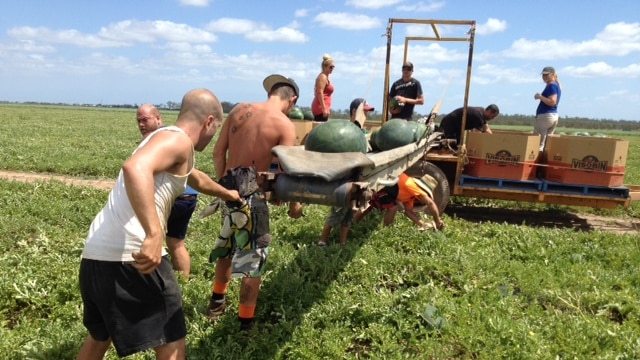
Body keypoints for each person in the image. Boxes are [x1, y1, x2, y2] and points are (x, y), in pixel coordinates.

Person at [77, 89, 241, 359]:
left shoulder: (161, 139)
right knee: (172, 341)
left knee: (99, 338)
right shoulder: (179, 142)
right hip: (133, 256)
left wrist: (227, 194)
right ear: (209, 121)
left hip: (96, 256)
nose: (213, 136)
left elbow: (194, 177)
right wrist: (154, 234)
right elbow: (135, 168)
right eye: (216, 128)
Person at [207, 74, 304, 331]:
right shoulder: (284, 125)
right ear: (291, 100)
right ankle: (245, 324)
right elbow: (285, 168)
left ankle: (216, 302)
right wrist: (294, 202)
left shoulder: (239, 110)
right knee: (252, 262)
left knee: (227, 247)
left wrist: (224, 187)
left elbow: (218, 152)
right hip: (253, 199)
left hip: (228, 191)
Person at [136, 104, 201, 280]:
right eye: (139, 121)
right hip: (189, 196)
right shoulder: (171, 137)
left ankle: (152, 283)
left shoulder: (160, 139)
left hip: (176, 198)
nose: (142, 125)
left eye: (146, 120)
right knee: (175, 242)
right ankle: (183, 283)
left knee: (148, 238)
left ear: (159, 119)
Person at [316, 98, 376, 247]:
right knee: (336, 212)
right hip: (343, 180)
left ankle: (342, 243)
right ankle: (322, 241)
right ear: (355, 112)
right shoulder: (346, 132)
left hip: (356, 178)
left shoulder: (361, 132)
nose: (366, 116)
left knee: (350, 214)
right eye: (364, 112)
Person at [355, 173, 444, 231]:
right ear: (423, 190)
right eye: (426, 194)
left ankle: (354, 225)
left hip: (388, 193)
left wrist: (423, 224)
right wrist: (437, 220)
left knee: (367, 207)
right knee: (392, 207)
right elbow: (430, 203)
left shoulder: (411, 196)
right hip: (383, 187)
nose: (425, 198)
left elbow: (408, 212)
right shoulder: (413, 186)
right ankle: (386, 230)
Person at [534, 66, 562, 151]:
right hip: (552, 116)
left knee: (537, 143)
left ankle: (536, 163)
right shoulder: (556, 85)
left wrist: (540, 97)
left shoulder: (552, 86)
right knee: (547, 145)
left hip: (545, 116)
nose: (544, 77)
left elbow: (552, 102)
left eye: (547, 75)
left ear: (552, 75)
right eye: (543, 75)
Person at [311, 54, 335, 121]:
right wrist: (324, 108)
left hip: (323, 108)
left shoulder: (326, 77)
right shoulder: (323, 77)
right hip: (320, 108)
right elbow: (319, 92)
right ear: (325, 66)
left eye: (333, 67)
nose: (332, 69)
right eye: (330, 67)